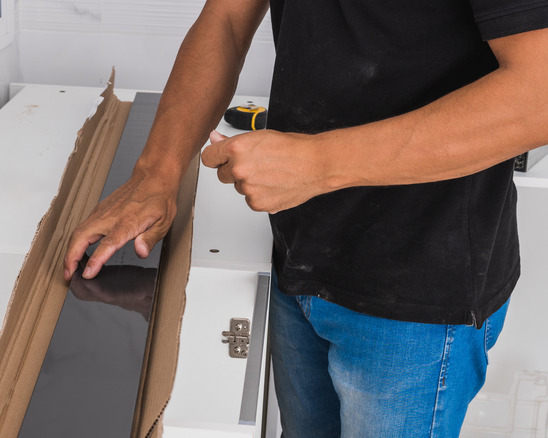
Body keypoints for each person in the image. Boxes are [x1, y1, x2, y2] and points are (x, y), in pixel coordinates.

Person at [63, 0, 548, 436]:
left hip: (417, 300)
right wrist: (157, 172)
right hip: (299, 258)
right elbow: (228, 17)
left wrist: (318, 163)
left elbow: (538, 95)